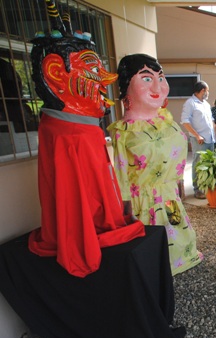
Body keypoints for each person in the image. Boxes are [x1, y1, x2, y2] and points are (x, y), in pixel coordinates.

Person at [28, 22, 145, 278]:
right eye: (92, 67)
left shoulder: (80, 127)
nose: (103, 77)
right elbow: (70, 194)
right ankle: (85, 235)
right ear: (56, 72)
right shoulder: (62, 131)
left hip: (85, 131)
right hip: (75, 131)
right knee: (73, 194)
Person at [109, 54, 202, 276]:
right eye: (146, 78)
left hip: (170, 196)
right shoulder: (124, 131)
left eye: (161, 78)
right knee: (151, 244)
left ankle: (180, 258)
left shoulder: (167, 123)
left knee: (178, 234)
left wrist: (179, 183)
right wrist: (124, 206)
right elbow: (121, 173)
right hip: (142, 203)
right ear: (126, 87)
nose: (158, 86)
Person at [180, 81, 215, 199]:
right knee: (198, 163)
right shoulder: (190, 103)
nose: (208, 93)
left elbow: (210, 120)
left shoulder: (206, 104)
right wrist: (197, 135)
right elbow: (185, 121)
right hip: (199, 140)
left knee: (209, 164)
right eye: (207, 90)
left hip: (210, 139)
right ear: (202, 90)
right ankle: (198, 189)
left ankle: (206, 186)